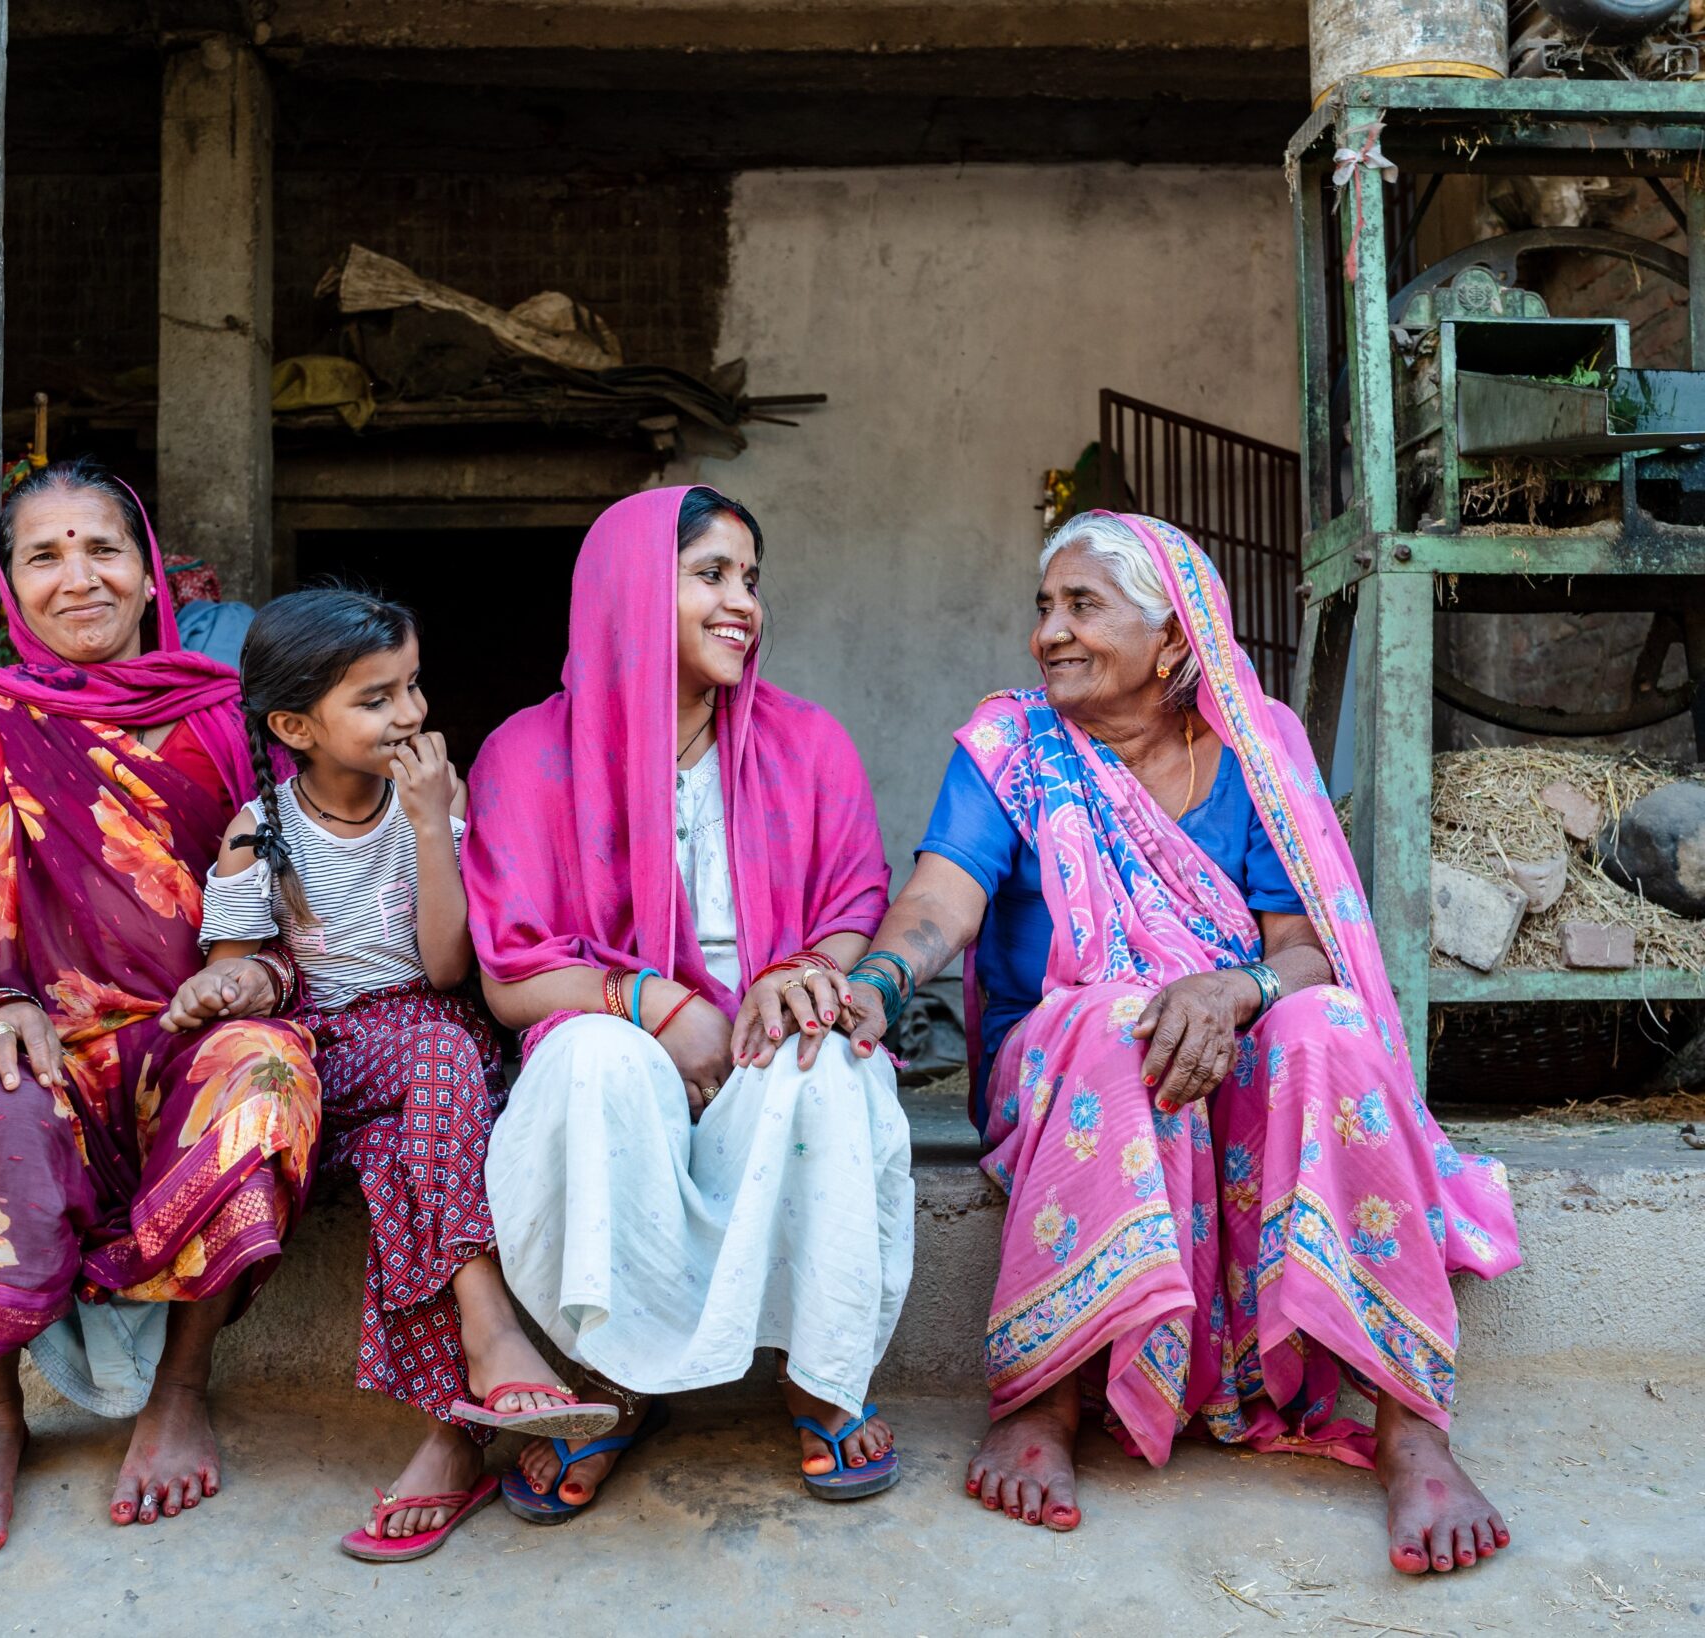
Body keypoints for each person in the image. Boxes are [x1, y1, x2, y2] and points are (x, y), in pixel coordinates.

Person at [841, 511, 1519, 1575]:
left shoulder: (1254, 749)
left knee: (1328, 1028)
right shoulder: (1011, 744)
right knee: (1113, 1013)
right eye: (1043, 608)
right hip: (1065, 1062)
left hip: (1231, 1042)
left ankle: (1407, 1424)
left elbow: (1304, 950)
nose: (1047, 634)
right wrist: (874, 982)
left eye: (1081, 607)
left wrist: (1230, 987)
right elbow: (941, 895)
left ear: (1168, 641)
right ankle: (1044, 1398)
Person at [464, 486, 915, 1519]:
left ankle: (819, 1372)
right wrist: (654, 1004)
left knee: (824, 1052)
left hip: (756, 1050)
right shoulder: (527, 756)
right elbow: (509, 973)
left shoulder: (809, 744)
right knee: (589, 1058)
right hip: (627, 1052)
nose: (742, 602)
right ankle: (613, 1378)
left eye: (750, 579)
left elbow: (854, 900)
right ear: (629, 590)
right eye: (710, 574)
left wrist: (801, 972)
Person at [0, 459, 322, 1556]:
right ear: (10, 587)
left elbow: (283, 912)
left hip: (191, 1032)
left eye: (103, 549)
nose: (77, 577)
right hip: (41, 1035)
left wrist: (255, 979)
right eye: (44, 555)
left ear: (148, 575)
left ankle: (182, 1390)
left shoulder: (234, 725)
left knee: (266, 1070)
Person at [169, 587, 614, 1562]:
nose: (409, 715)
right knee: (434, 1057)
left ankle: (450, 1440)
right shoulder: (264, 833)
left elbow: (449, 967)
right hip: (338, 1052)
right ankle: (491, 1333)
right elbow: (239, 964)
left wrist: (426, 826)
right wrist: (230, 981)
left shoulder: (435, 805)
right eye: (375, 699)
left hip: (436, 1054)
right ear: (295, 726)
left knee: (412, 1152)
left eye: (411, 686)